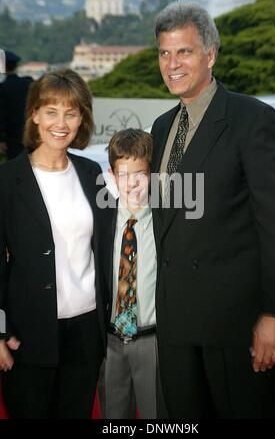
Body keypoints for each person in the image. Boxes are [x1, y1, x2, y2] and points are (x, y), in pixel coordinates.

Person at [151, 1, 275, 419]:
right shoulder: (161, 128)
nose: (172, 64)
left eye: (184, 51)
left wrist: (274, 314)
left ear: (210, 54)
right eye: (164, 52)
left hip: (234, 328)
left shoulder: (253, 120)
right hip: (176, 328)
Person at [0, 68, 107, 418]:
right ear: (34, 114)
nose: (60, 123)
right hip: (27, 335)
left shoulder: (92, 174)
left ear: (81, 120)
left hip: (86, 332)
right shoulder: (7, 180)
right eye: (51, 111)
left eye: (71, 113)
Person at [98, 128, 163, 419]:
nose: (132, 183)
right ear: (112, 174)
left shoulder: (165, 221)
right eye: (124, 175)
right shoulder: (102, 220)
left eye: (141, 174)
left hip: (154, 341)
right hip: (110, 342)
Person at [0, 50, 33, 160]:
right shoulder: (28, 83)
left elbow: (1, 116)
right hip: (31, 134)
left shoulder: (3, 88)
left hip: (12, 137)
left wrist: (1, 140)